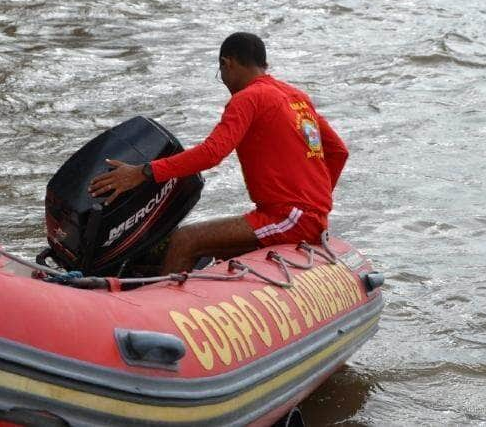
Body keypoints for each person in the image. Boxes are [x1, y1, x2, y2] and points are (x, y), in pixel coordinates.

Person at [88, 32, 348, 274]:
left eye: (221, 72)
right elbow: (338, 152)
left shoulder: (248, 98)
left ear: (228, 63)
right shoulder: (296, 97)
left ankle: (166, 317)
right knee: (217, 254)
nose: (223, 80)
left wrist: (144, 172)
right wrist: (316, 202)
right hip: (303, 215)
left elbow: (212, 153)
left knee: (185, 240)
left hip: (288, 217)